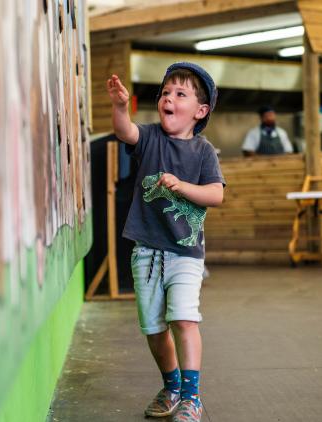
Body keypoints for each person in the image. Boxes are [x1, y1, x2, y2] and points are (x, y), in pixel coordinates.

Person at [106, 62, 224, 422]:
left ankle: (192, 396)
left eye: (180, 94)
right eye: (165, 93)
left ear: (200, 111)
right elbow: (124, 131)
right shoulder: (151, 137)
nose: (168, 98)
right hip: (145, 249)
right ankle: (171, 385)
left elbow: (216, 195)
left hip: (185, 252)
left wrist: (181, 186)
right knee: (154, 327)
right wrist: (119, 106)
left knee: (184, 319)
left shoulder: (204, 151)